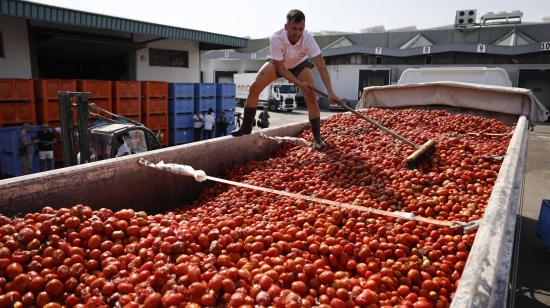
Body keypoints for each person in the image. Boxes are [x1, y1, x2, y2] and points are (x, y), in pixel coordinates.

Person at [231, 9, 340, 150]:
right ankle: (246, 127)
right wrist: (300, 84)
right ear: (286, 27)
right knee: (254, 88)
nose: (297, 33)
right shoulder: (276, 38)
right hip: (279, 64)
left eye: (301, 29)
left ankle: (317, 139)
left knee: (311, 97)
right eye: (294, 28)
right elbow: (282, 69)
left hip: (300, 64)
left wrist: (330, 91)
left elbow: (321, 65)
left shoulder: (308, 38)